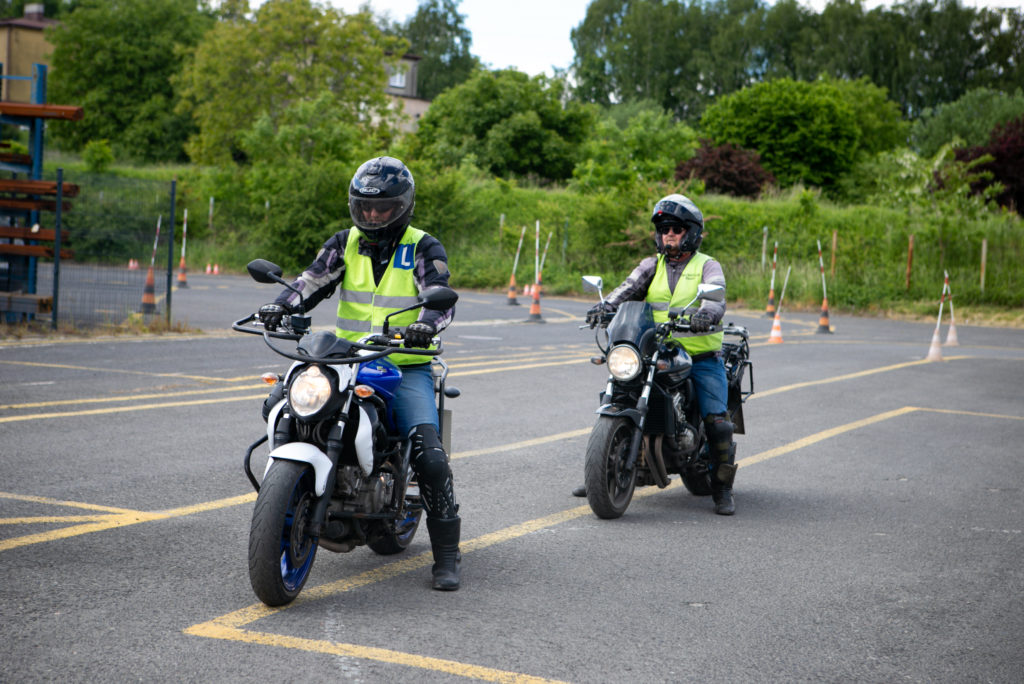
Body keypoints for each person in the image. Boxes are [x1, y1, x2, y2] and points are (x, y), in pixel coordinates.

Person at [258, 156, 463, 589]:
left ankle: (447, 555)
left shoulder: (424, 246)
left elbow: (439, 298)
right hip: (344, 360)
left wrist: (426, 325)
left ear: (402, 206)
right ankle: (295, 497)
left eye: (383, 207)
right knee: (280, 404)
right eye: (366, 206)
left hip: (402, 365)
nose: (372, 215)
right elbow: (311, 281)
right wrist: (282, 303)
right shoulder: (344, 242)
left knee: (429, 456)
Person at [573, 193, 738, 515]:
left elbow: (716, 298)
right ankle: (600, 474)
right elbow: (627, 289)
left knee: (718, 422)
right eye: (664, 229)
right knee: (618, 391)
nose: (669, 234)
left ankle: (722, 488)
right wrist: (605, 306)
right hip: (654, 349)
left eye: (676, 228)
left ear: (691, 231)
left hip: (700, 356)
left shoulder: (708, 265)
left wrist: (707, 313)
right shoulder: (652, 265)